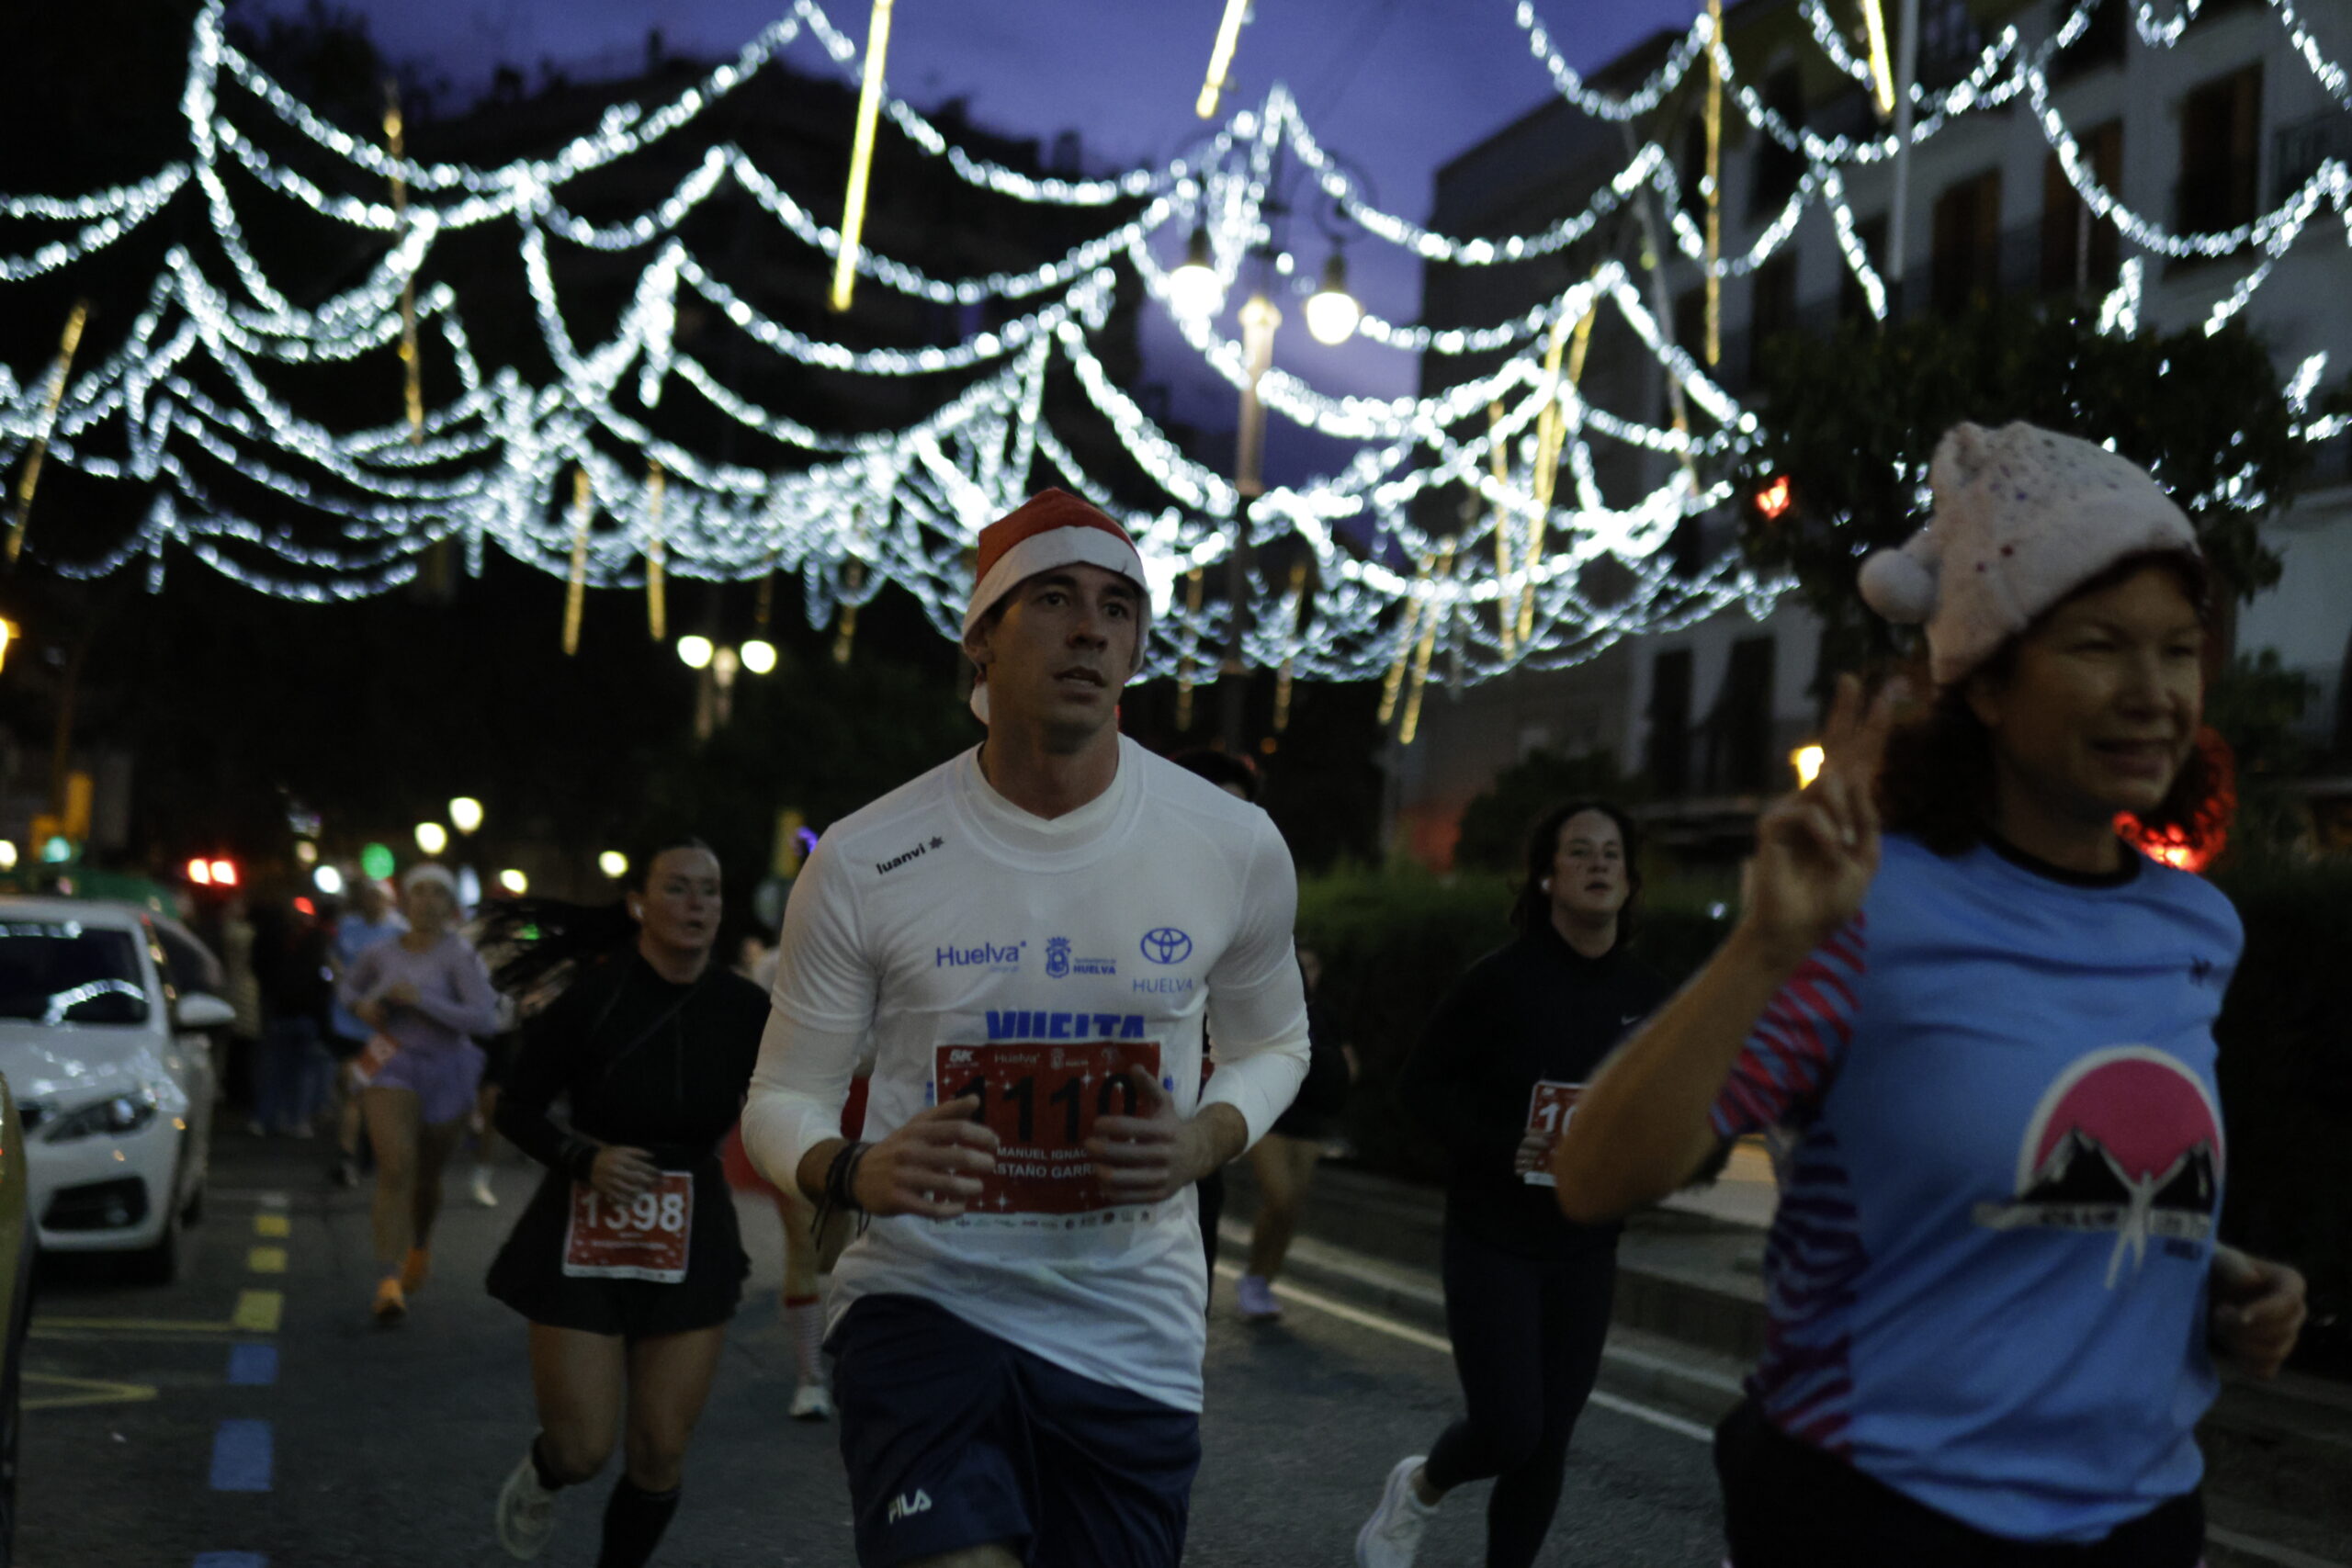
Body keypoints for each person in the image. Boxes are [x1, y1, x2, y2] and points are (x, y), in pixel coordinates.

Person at [1551, 423, 2308, 1566]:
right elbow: (1595, 1178)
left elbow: (2035, 1184)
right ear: (1986, 681)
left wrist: (2200, 1275)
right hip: (1880, 1516)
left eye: (2176, 650)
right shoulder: (1861, 911)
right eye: (2099, 647)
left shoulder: (2195, 929)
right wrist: (1764, 946)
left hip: (2141, 1520)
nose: (2153, 693)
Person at [742, 488, 1311, 1568]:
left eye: (1116, 608)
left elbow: (1275, 1044)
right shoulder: (864, 856)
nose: (1089, 628)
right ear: (981, 640)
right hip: (922, 1304)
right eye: (1052, 599)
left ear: (1135, 648)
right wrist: (854, 1171)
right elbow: (782, 1097)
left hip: (1131, 1329)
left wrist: (1201, 1140)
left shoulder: (1231, 844)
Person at [1355, 801, 1668, 1568]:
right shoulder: (1499, 981)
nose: (1599, 864)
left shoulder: (1651, 996)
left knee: (1548, 1441)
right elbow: (1420, 1089)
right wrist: (1508, 1148)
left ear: (1630, 881)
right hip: (1493, 1237)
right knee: (1508, 1428)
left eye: (1612, 854)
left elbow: (1668, 1109)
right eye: (1580, 851)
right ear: (1547, 876)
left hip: (1585, 1244)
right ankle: (1421, 1485)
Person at [481, 838, 771, 1567]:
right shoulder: (592, 997)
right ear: (639, 903)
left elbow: (797, 1092)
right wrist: (587, 1158)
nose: (696, 904)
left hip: (691, 1227)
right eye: (677, 888)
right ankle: (545, 1469)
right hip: (585, 1225)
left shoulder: (746, 1007)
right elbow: (514, 1108)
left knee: (659, 1449)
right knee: (582, 1448)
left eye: (709, 890)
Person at [338, 863, 500, 1322]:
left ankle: (420, 1245)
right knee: (395, 1167)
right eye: (420, 891)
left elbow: (484, 1020)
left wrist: (422, 1000)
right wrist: (362, 1005)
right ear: (405, 900)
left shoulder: (460, 955)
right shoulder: (380, 951)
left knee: (426, 1178)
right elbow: (348, 987)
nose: (428, 901)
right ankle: (388, 1282)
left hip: (448, 1069)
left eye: (438, 893)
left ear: (451, 906)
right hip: (391, 1062)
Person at [1231, 942, 1355, 1321]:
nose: (1307, 973)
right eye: (1302, 966)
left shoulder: (1325, 1014)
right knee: (1280, 1197)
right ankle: (1253, 1277)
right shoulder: (1267, 1010)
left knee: (1292, 1209)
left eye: (1313, 966)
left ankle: (1262, 1280)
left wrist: (1333, 1077)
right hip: (1271, 1117)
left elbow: (1346, 1063)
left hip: (1310, 1122)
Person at [326, 878, 408, 1185]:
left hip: (381, 1029)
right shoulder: (349, 926)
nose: (372, 902)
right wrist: (339, 979)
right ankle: (357, 1149)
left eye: (378, 897)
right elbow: (333, 958)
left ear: (389, 901)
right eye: (368, 896)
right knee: (350, 1087)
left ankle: (351, 1155)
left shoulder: (399, 931)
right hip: (346, 1023)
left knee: (361, 1090)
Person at [253, 894, 335, 1139]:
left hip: (282, 1012)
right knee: (302, 1071)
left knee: (276, 1069)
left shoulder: (280, 941)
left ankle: (266, 1118)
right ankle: (295, 1120)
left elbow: (261, 969)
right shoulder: (316, 945)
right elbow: (324, 981)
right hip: (304, 1015)